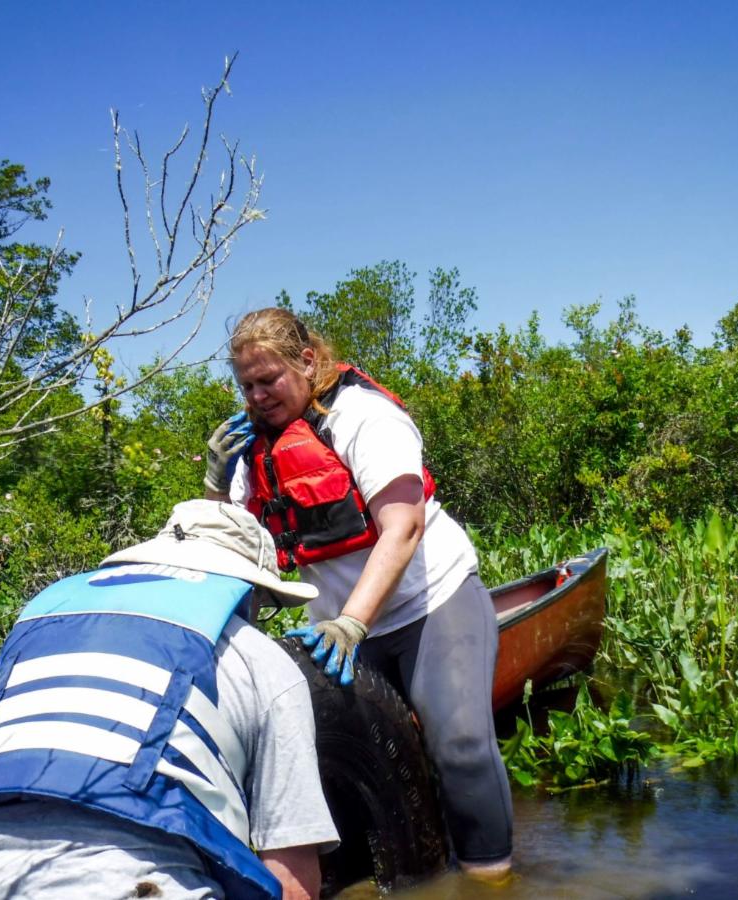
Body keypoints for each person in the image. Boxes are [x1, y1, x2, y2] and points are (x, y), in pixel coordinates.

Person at [203, 307, 513, 882]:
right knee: (333, 770)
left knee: (461, 745)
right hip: (336, 629)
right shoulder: (251, 450)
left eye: (269, 380)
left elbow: (405, 527)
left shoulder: (362, 416)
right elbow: (233, 548)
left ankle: (492, 883)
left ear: (308, 361)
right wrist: (216, 485)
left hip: (428, 604)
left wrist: (352, 624)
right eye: (247, 385)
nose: (258, 395)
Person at [0, 500, 339, 900]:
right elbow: (292, 875)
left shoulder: (39, 628)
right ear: (248, 593)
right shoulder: (260, 658)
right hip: (131, 880)